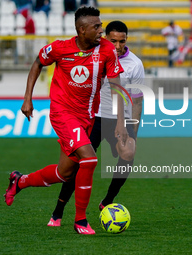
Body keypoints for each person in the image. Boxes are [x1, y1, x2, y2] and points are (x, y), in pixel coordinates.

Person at [4, 6, 127, 235]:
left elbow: (116, 86)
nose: (101, 30)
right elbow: (38, 62)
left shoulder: (107, 50)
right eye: (96, 27)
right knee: (89, 160)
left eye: (101, 25)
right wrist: (27, 98)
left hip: (87, 117)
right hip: (62, 113)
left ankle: (19, 182)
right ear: (81, 30)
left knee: (65, 173)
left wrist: (120, 121)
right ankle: (80, 220)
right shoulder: (60, 48)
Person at [47, 20, 144, 227]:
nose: (117, 46)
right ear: (105, 38)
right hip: (94, 117)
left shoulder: (135, 64)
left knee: (129, 152)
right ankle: (58, 210)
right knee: (76, 165)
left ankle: (108, 201)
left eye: (122, 41)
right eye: (113, 41)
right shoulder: (94, 55)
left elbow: (136, 99)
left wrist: (133, 131)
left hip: (121, 119)